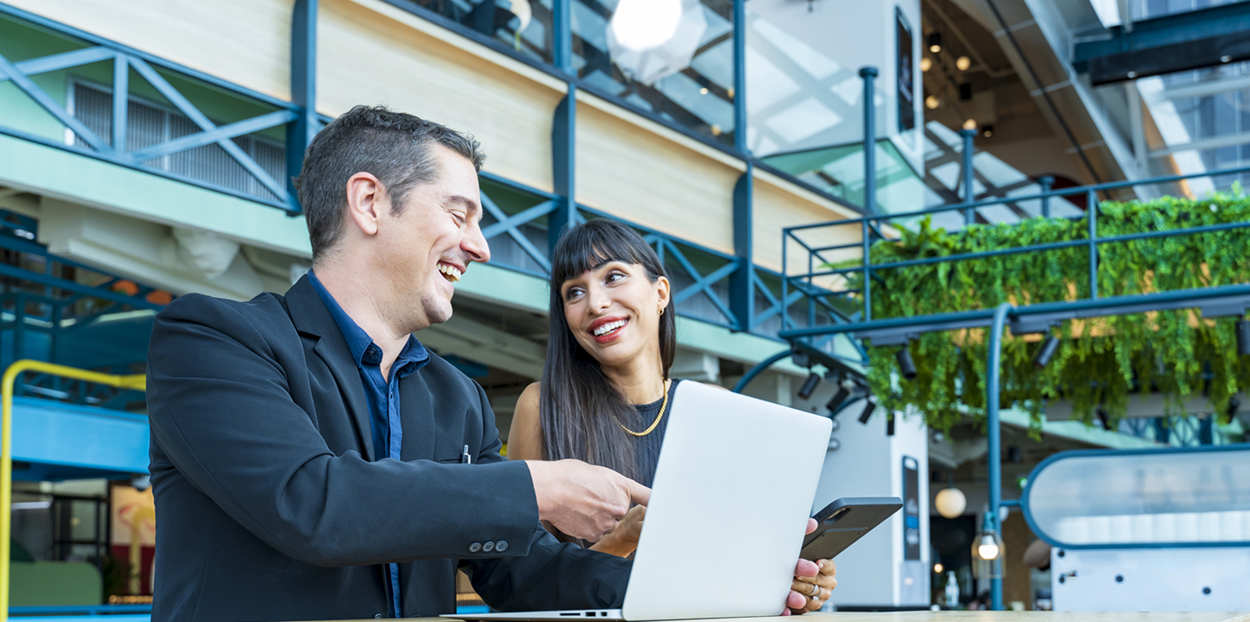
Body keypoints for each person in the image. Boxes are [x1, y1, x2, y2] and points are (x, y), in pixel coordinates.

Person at [145, 106, 652, 621]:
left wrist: (669, 585)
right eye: (459, 216)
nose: (479, 247)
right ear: (369, 203)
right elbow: (309, 504)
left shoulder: (458, 397)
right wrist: (533, 487)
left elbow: (518, 571)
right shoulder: (212, 340)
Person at [508, 219, 838, 614]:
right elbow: (522, 581)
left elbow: (736, 559)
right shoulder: (543, 407)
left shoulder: (719, 409)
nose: (595, 303)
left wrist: (796, 579)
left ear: (660, 292)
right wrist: (622, 540)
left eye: (613, 277)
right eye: (574, 292)